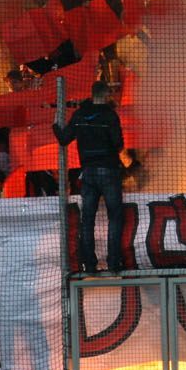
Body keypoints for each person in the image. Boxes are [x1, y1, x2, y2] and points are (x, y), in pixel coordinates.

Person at [54, 81, 125, 274]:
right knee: (115, 217)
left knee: (87, 220)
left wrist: (55, 124)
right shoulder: (110, 115)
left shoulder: (80, 115)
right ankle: (113, 263)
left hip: (88, 172)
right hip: (109, 170)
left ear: (92, 94)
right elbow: (119, 144)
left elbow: (63, 138)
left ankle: (90, 264)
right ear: (107, 94)